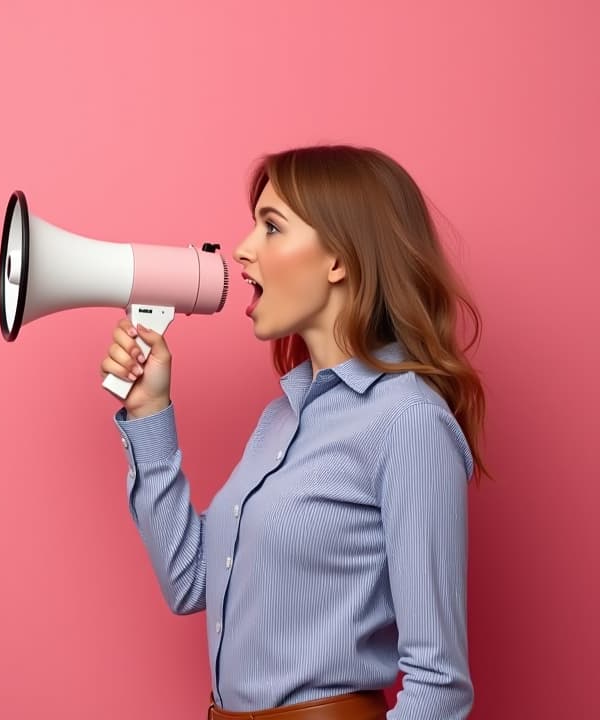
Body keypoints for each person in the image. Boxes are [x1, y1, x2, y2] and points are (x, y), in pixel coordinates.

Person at [100, 145, 489, 720]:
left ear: (340, 259)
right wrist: (149, 410)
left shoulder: (408, 421)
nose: (242, 249)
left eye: (272, 227)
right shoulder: (281, 418)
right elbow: (191, 582)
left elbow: (439, 686)